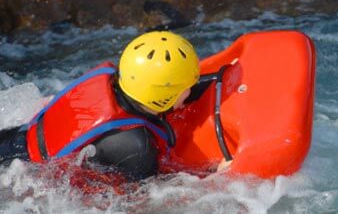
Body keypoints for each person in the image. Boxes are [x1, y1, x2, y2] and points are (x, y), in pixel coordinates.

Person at [0, 31, 200, 181]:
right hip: (20, 176)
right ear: (165, 95)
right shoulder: (136, 145)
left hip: (13, 139)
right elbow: (153, 200)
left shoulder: (108, 81)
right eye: (188, 87)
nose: (192, 89)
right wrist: (213, 175)